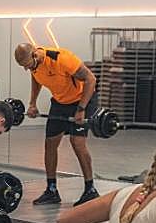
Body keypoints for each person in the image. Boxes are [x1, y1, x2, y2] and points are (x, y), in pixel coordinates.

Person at [14, 43, 99, 206]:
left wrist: (81, 109)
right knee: (50, 144)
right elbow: (36, 77)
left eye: (27, 65)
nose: (26, 69)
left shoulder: (62, 59)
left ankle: (90, 189)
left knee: (77, 143)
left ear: (34, 55)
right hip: (60, 102)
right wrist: (32, 103)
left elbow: (91, 79)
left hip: (82, 100)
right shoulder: (34, 65)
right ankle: (51, 190)